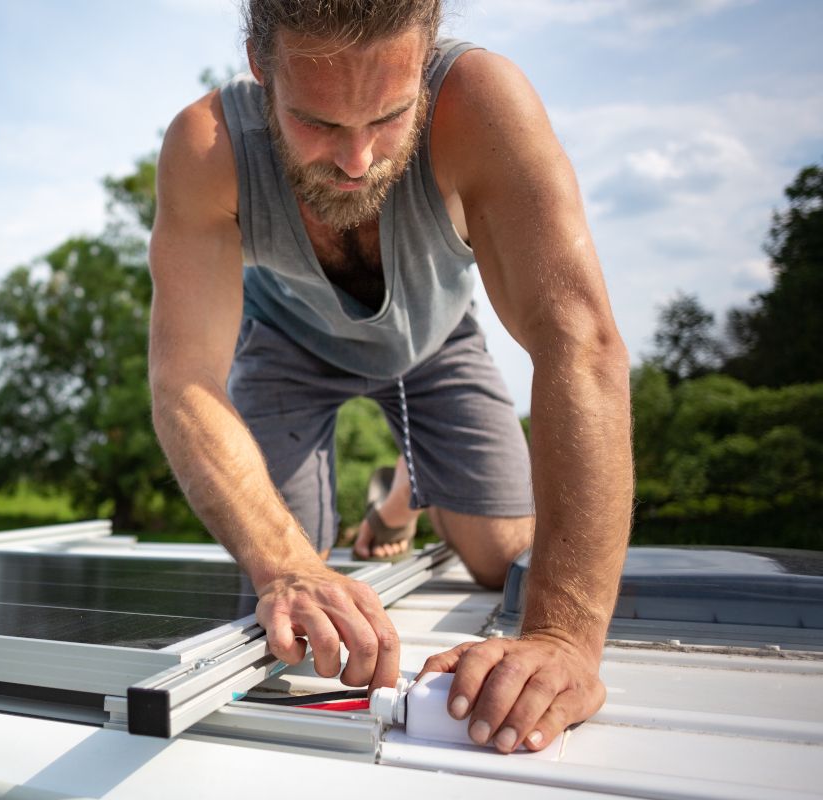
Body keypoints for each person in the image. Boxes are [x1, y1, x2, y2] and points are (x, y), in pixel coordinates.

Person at [147, 0, 632, 754]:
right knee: (285, 607)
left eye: (389, 117)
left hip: (433, 340)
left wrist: (564, 637)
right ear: (259, 64)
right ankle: (381, 498)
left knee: (505, 561)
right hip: (287, 346)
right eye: (319, 123)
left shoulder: (485, 101)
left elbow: (583, 347)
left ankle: (401, 498)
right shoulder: (205, 146)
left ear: (428, 62)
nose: (357, 160)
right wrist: (286, 565)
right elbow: (184, 379)